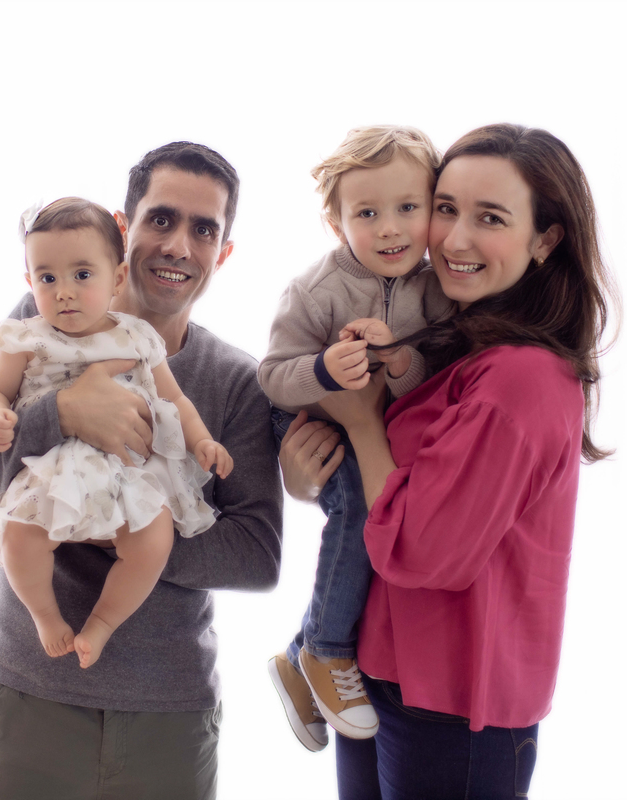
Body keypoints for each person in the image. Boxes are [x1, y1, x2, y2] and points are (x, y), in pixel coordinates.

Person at [0, 143, 283, 800]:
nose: (178, 244)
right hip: (30, 694)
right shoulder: (40, 317)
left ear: (223, 253)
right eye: (161, 219)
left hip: (168, 715)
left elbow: (259, 556)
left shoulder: (235, 381)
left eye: (203, 229)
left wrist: (117, 528)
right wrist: (58, 413)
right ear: (124, 231)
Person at [310, 123, 618, 798]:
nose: (453, 239)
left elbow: (422, 549)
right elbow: (382, 494)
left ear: (546, 239)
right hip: (383, 671)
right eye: (445, 208)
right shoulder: (458, 344)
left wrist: (361, 423)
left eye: (490, 218)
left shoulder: (520, 380)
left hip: (453, 708)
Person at [0, 196, 233, 670]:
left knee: (153, 539)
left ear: (116, 278)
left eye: (82, 275)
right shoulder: (26, 337)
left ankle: (103, 622)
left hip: (124, 474)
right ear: (30, 283)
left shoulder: (137, 337)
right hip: (49, 471)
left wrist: (201, 441)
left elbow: (176, 400)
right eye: (48, 278)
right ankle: (45, 616)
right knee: (18, 538)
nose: (64, 291)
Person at [258, 126, 452, 748]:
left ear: (431, 209)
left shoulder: (436, 291)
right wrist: (321, 370)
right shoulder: (317, 290)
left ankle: (298, 654)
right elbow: (272, 374)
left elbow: (436, 373)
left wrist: (400, 363)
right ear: (337, 223)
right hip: (310, 417)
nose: (390, 228)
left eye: (407, 209)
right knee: (365, 511)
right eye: (367, 213)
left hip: (378, 424)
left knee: (383, 524)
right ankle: (329, 650)